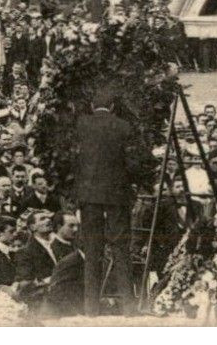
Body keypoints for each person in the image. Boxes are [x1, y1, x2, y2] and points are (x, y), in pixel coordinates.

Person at [73, 86, 137, 315]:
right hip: (117, 195)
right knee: (120, 248)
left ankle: (90, 308)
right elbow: (132, 162)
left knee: (92, 249)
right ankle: (129, 305)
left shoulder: (81, 124)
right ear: (113, 107)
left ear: (92, 106)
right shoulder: (123, 126)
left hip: (89, 195)